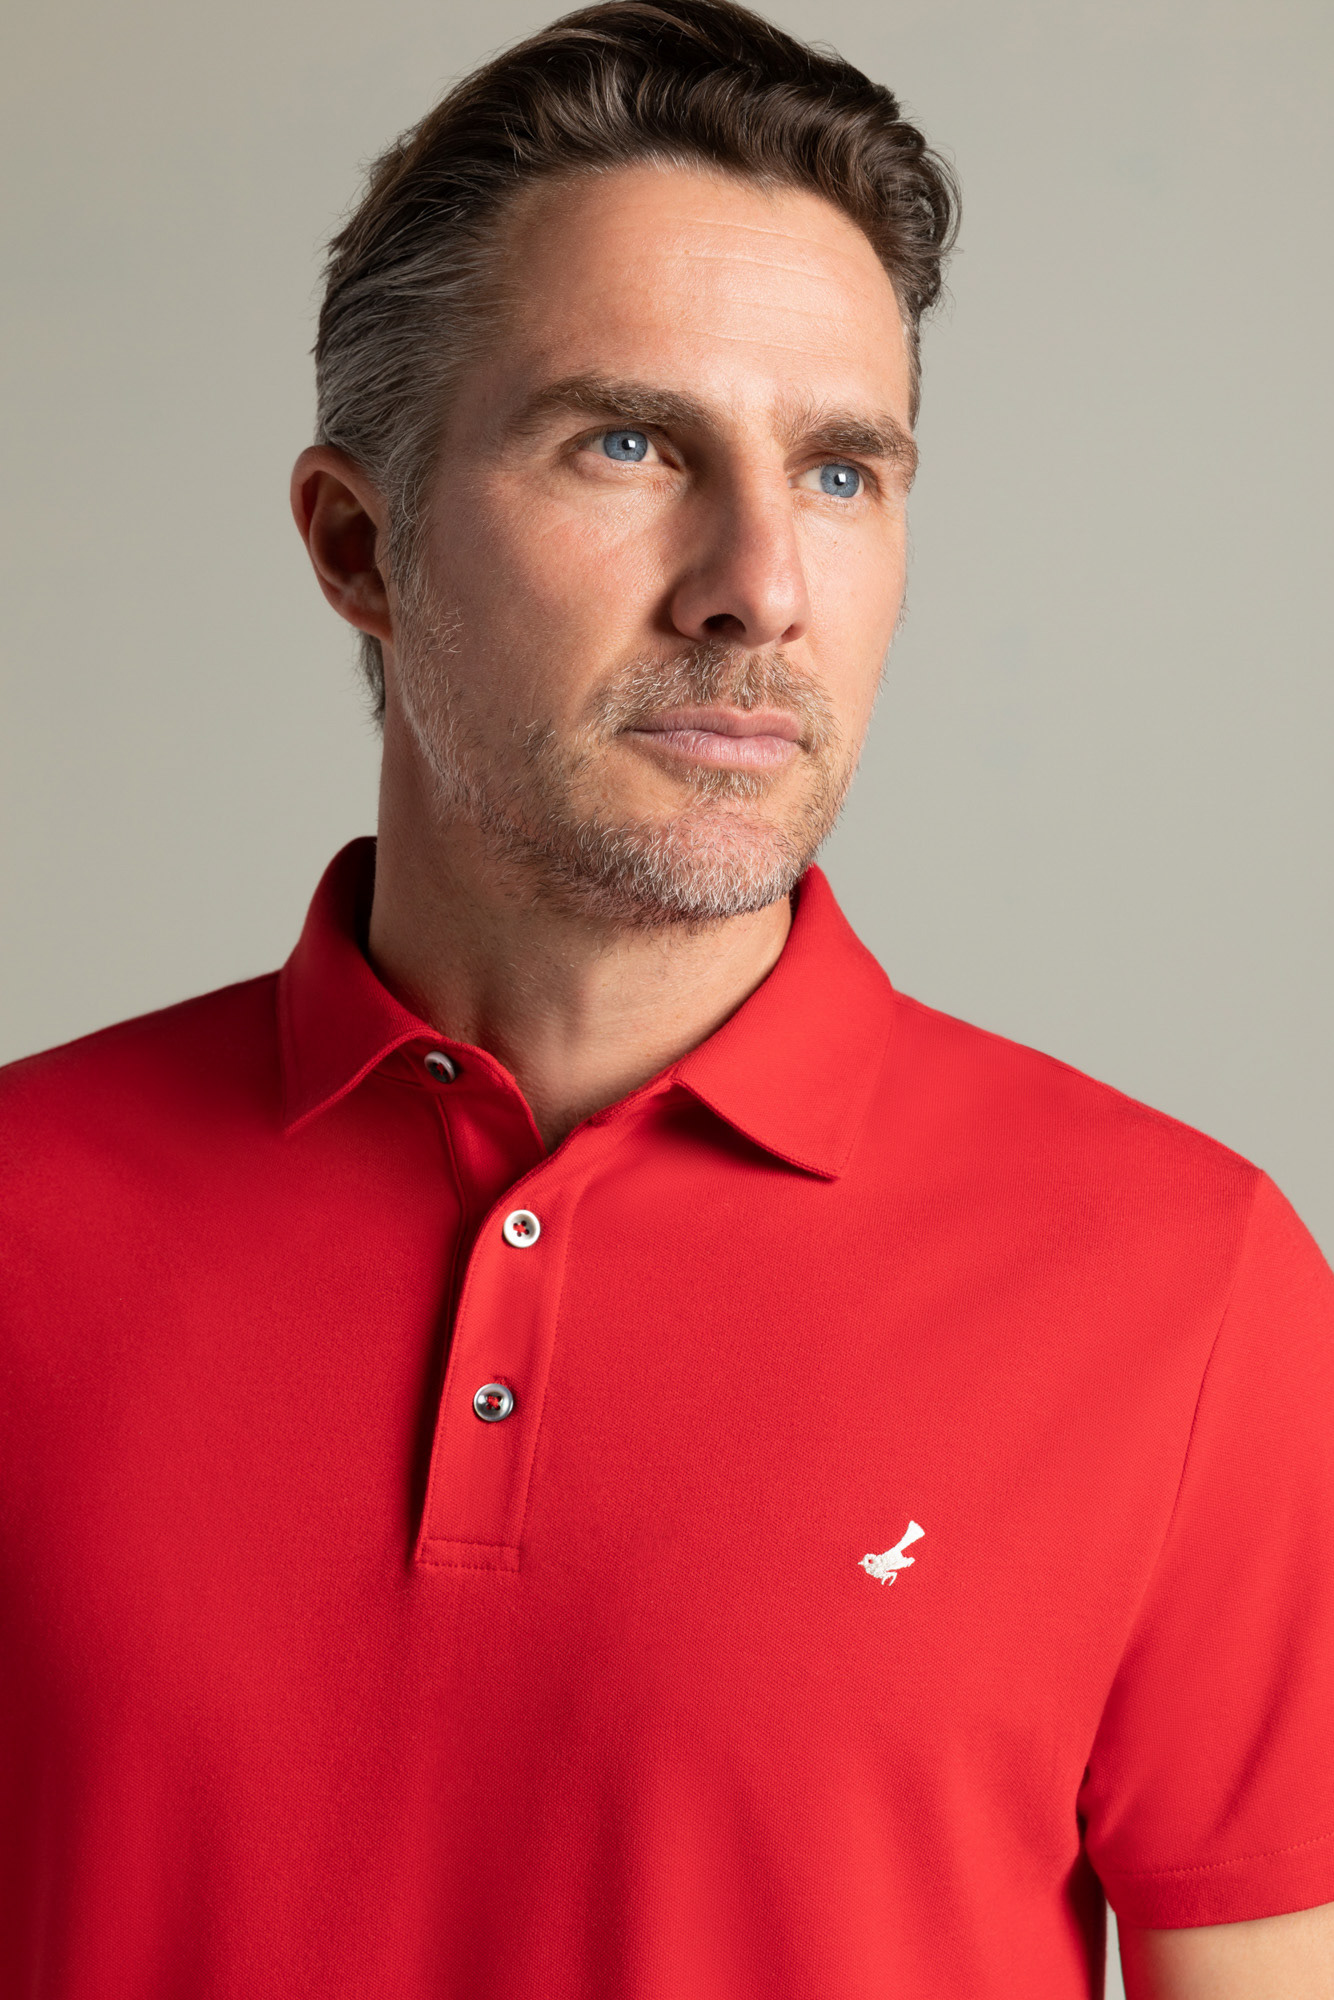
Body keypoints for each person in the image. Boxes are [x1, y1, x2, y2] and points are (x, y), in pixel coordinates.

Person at [1, 2, 1331, 1994]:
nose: (756, 584)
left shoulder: (1187, 1286)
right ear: (360, 545)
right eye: (627, 444)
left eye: (840, 469)